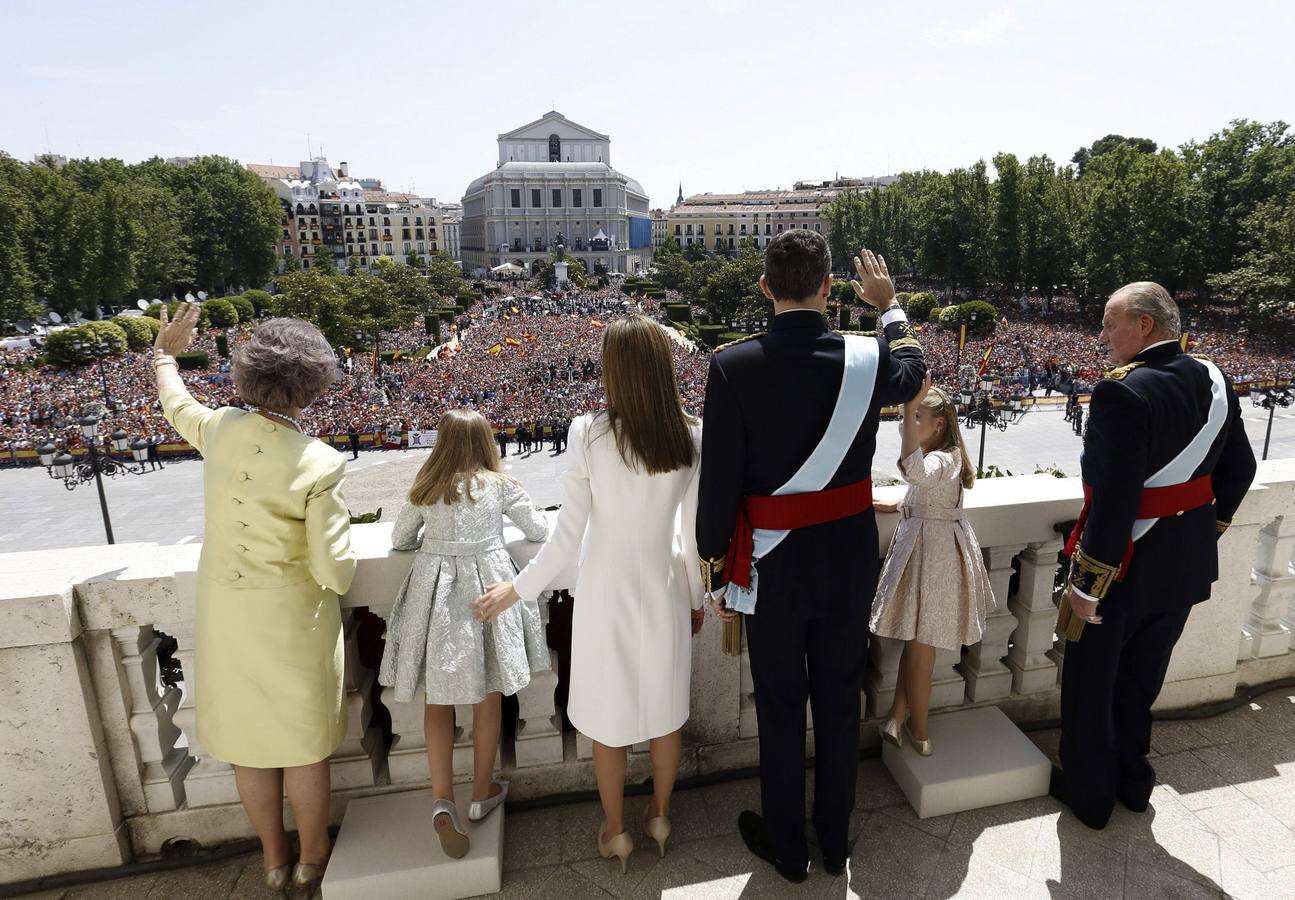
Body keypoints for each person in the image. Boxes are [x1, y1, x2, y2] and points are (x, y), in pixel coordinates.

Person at [697, 233, 926, 882]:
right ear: (828, 288)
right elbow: (911, 370)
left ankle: (788, 848)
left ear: (765, 288)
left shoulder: (731, 366)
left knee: (777, 706)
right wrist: (888, 308)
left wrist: (717, 568)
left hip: (769, 569)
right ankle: (833, 840)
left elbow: (717, 486)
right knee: (836, 701)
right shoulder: (863, 357)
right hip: (847, 558)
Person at [473, 315, 706, 874]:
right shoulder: (693, 433)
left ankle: (616, 828)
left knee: (609, 718)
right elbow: (694, 537)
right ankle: (659, 814)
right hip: (667, 583)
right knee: (666, 712)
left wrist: (517, 589)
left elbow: (565, 538)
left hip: (605, 590)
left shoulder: (588, 433)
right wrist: (697, 599)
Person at [152, 305, 356, 898]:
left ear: (247, 375)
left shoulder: (220, 428)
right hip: (290, 621)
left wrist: (165, 355)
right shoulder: (320, 462)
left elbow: (177, 403)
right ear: (314, 384)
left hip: (227, 620)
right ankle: (312, 857)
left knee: (250, 748)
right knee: (302, 749)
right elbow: (335, 570)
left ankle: (272, 858)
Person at [1051, 282, 1256, 830]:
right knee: (1142, 681)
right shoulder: (1213, 376)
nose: (1101, 335)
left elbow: (1114, 500)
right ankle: (1133, 783)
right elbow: (1240, 469)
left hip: (1124, 567)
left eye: (1109, 322)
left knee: (1091, 684)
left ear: (1143, 325)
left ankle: (1090, 796)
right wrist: (1201, 531)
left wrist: (1087, 585)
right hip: (1184, 563)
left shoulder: (1121, 391)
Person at [378, 409, 549, 859]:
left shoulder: (427, 486)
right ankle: (481, 792)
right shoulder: (500, 485)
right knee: (488, 696)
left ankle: (442, 800)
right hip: (486, 594)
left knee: (438, 699)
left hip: (434, 596)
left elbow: (399, 539)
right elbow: (539, 529)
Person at [871, 375, 994, 755]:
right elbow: (920, 490)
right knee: (919, 642)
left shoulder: (943, 458)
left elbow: (915, 473)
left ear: (939, 424)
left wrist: (907, 411)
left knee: (920, 645)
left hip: (932, 559)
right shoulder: (948, 456)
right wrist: (899, 505)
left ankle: (919, 731)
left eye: (917, 417)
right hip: (932, 553)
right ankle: (898, 714)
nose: (908, 422)